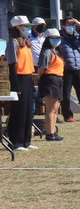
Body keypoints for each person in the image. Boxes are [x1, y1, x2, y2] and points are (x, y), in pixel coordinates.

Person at [6, 16, 37, 151]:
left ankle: (26, 141)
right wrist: (15, 85)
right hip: (19, 78)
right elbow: (12, 65)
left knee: (28, 111)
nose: (28, 28)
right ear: (18, 27)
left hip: (28, 78)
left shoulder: (26, 43)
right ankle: (16, 141)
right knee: (19, 111)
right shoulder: (13, 42)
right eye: (25, 26)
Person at [35, 29, 66, 141]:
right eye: (54, 38)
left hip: (57, 79)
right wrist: (40, 78)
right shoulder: (47, 52)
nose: (57, 41)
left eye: (58, 38)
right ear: (48, 40)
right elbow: (42, 68)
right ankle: (50, 133)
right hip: (50, 79)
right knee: (51, 109)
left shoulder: (56, 52)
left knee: (56, 109)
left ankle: (53, 131)